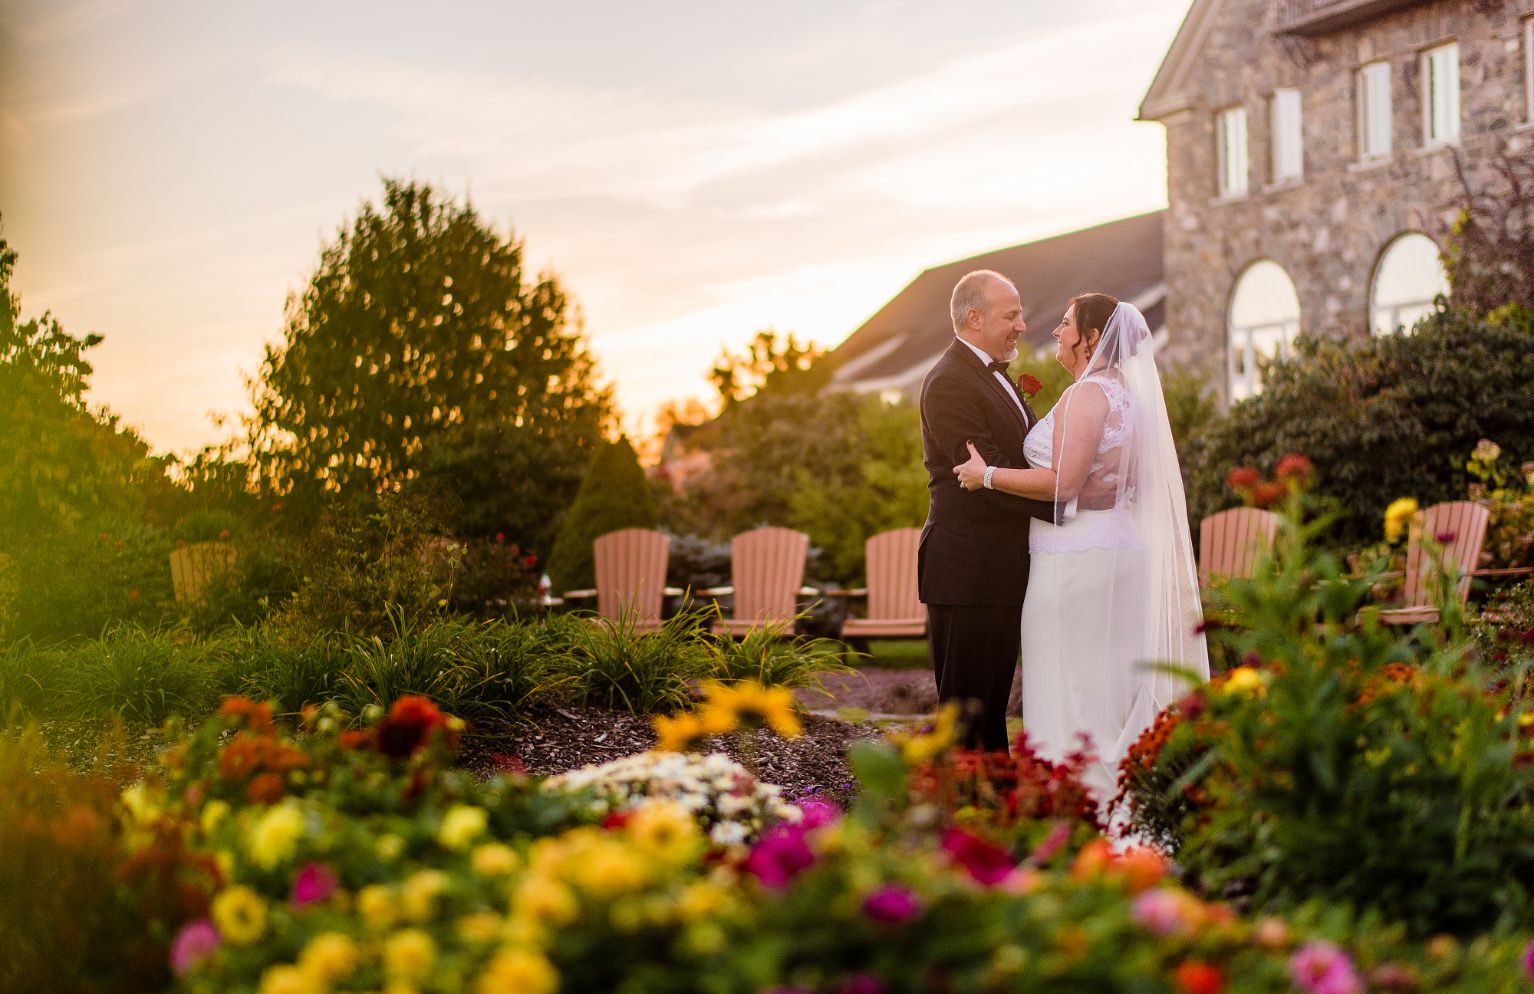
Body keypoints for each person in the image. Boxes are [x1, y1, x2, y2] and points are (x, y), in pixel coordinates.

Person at [953, 294, 1209, 798]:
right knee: (1106, 681)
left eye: (1066, 323)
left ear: (1092, 338)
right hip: (1110, 552)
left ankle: (1083, 801)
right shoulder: (1125, 396)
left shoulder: (1087, 395)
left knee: (1071, 681)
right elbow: (1104, 481)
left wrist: (987, 476)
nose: (1054, 330)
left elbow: (1063, 484)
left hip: (1076, 561)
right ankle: (1122, 791)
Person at [917, 270, 1056, 752]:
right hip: (967, 573)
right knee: (967, 715)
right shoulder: (949, 383)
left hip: (999, 568)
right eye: (1011, 315)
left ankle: (993, 812)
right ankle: (958, 815)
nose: (1021, 324)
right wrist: (1064, 502)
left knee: (992, 709)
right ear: (973, 318)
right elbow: (983, 472)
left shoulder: (993, 375)